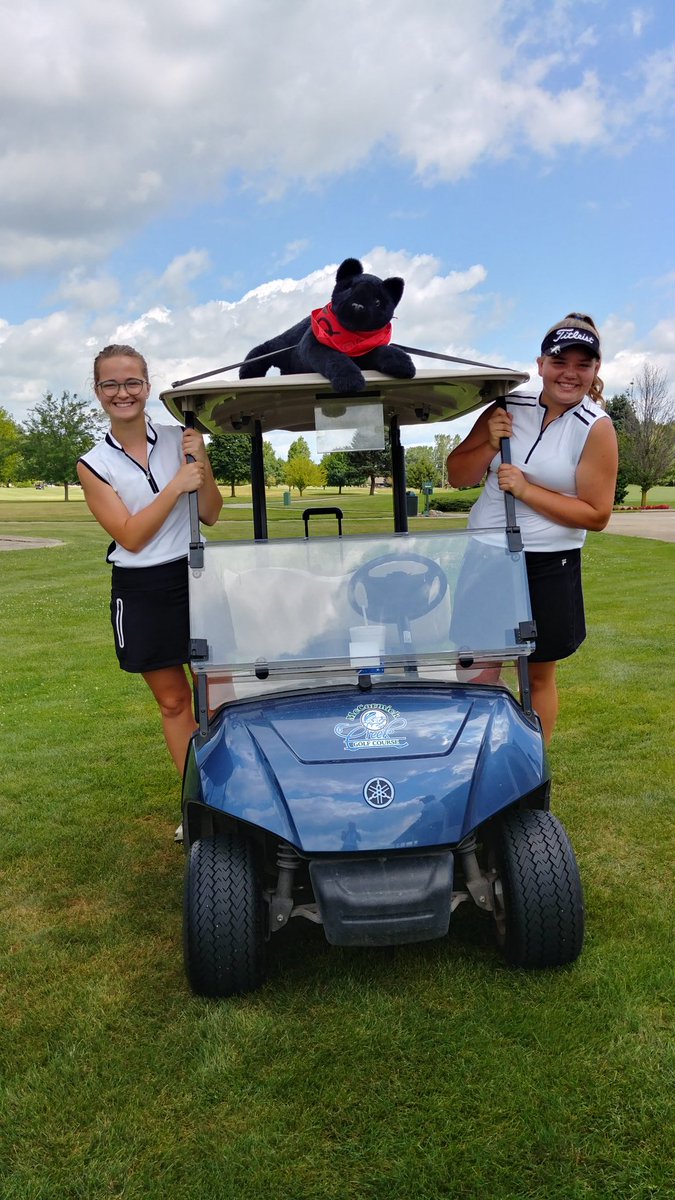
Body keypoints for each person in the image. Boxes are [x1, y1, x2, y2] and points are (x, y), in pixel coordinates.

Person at [447, 313, 618, 743]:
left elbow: (596, 515)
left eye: (584, 364)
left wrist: (524, 489)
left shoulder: (595, 427)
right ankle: (476, 759)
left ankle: (529, 765)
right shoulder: (506, 407)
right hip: (488, 554)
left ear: (596, 370)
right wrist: (488, 441)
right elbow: (457, 476)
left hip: (549, 564)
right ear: (541, 364)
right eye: (561, 361)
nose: (570, 373)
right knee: (476, 668)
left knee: (536, 676)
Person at [77, 344, 223, 816]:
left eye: (132, 382)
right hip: (141, 590)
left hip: (195, 577)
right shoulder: (94, 463)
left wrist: (199, 465)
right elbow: (131, 536)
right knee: (176, 703)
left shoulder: (181, 439)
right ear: (98, 391)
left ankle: (236, 801)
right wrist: (176, 487)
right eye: (111, 384)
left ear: (147, 384)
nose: (123, 392)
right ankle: (197, 806)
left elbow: (212, 513)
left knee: (220, 696)